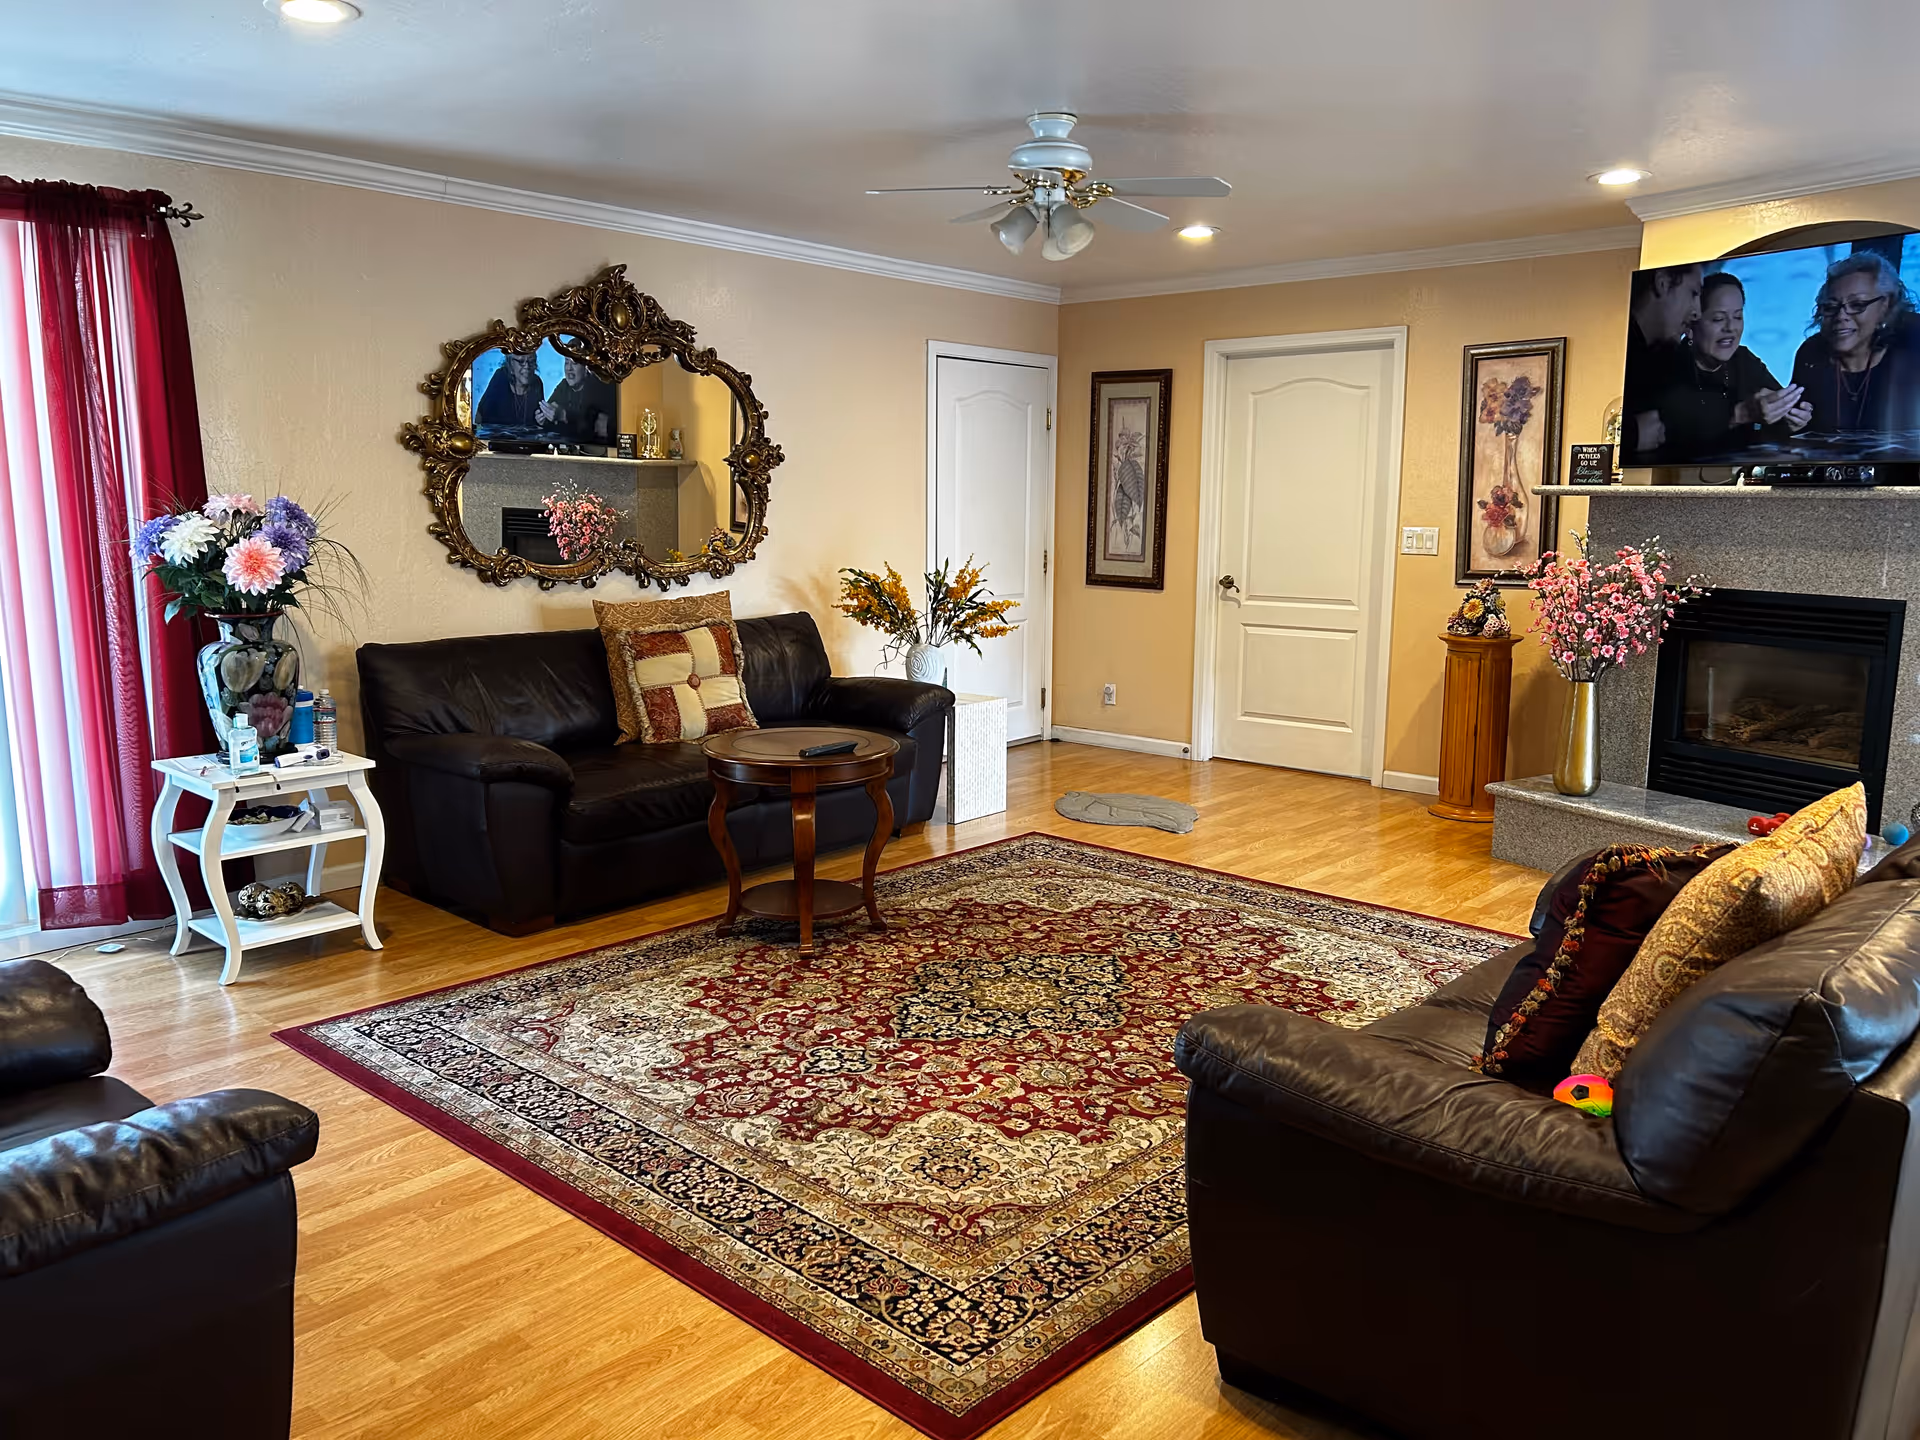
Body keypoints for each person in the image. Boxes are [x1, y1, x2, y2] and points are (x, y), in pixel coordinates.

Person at [1658, 271, 1810, 460]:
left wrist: (1792, 418)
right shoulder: (1668, 365)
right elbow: (1681, 430)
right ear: (1691, 326)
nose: (1731, 328)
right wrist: (1743, 413)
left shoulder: (1743, 358)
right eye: (1718, 319)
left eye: (1738, 317)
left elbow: (1778, 404)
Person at [1790, 251, 1920, 437]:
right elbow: (1800, 433)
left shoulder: (1915, 339)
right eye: (1831, 307)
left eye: (1857, 304)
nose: (1841, 316)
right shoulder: (1811, 352)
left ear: (1886, 306)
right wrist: (1791, 422)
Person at [1622, 262, 1701, 462]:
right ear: (1663, 284)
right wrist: (1634, 434)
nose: (1697, 313)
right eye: (1693, 293)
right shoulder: (1616, 348)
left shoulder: (1658, 357)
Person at [537, 356, 613, 443]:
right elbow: (551, 409)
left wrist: (562, 415)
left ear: (586, 368)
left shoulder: (596, 386)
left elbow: (588, 427)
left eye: (574, 363)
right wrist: (543, 417)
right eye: (566, 363)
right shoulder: (564, 385)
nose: (569, 368)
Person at [475, 349, 544, 430]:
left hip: (524, 440)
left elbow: (537, 423)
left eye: (531, 361)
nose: (527, 366)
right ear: (511, 365)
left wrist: (541, 420)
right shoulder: (500, 377)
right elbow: (480, 415)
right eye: (521, 362)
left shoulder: (536, 382)